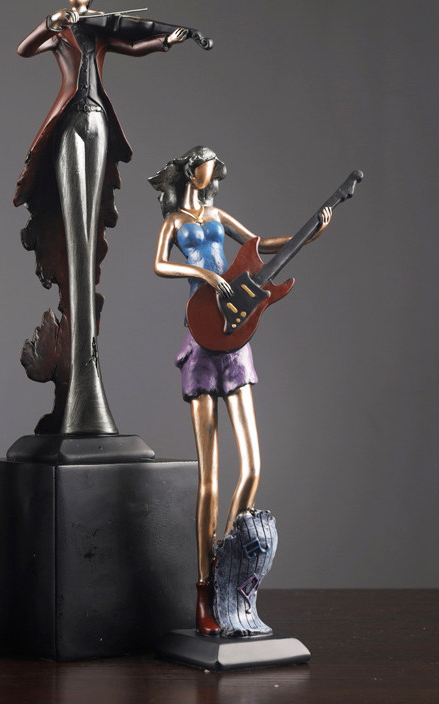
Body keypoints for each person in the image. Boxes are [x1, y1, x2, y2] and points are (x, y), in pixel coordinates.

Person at [150, 146, 330, 635]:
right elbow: (159, 264)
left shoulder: (217, 215)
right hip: (201, 329)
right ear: (192, 171)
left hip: (235, 335)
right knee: (209, 477)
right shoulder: (175, 222)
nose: (211, 175)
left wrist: (308, 233)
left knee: (251, 466)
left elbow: (258, 243)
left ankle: (226, 559)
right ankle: (204, 590)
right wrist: (203, 272)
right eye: (205, 167)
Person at [15, 0, 190, 435]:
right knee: (74, 225)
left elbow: (133, 43)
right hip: (69, 119)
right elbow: (24, 48)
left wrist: (166, 40)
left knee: (90, 223)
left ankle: (86, 365)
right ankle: (78, 370)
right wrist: (49, 23)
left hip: (97, 120)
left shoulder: (98, 30)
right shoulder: (62, 28)